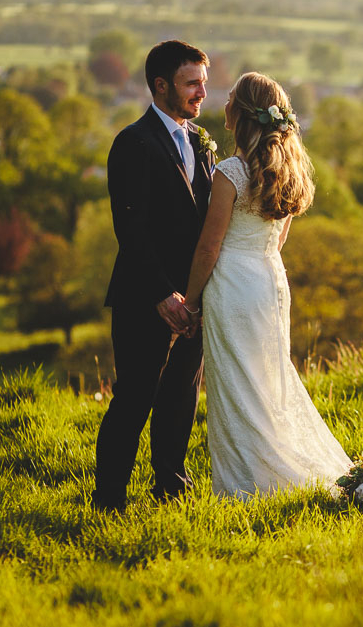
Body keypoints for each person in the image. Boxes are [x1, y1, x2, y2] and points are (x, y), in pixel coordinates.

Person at [181, 72, 352, 499]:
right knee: (266, 378)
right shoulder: (286, 166)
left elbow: (208, 248)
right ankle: (268, 468)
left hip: (233, 283)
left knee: (240, 382)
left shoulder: (231, 172)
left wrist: (191, 301)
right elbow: (279, 237)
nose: (222, 103)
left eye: (230, 97)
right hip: (270, 277)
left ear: (240, 113)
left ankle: (253, 483)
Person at [92, 40, 214, 511]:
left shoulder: (199, 142)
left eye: (203, 83)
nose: (201, 93)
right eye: (191, 84)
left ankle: (170, 488)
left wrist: (196, 294)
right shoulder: (133, 142)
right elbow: (131, 228)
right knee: (134, 398)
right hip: (145, 297)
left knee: (181, 397)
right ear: (160, 85)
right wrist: (163, 294)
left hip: (195, 299)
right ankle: (109, 501)